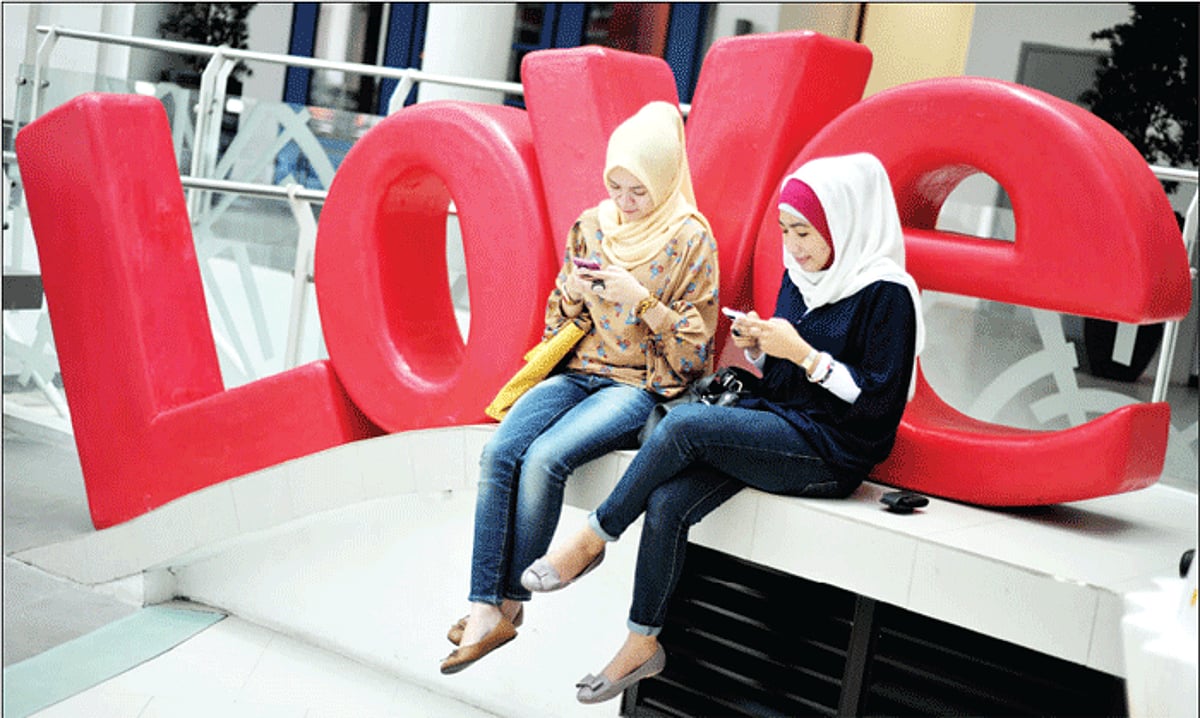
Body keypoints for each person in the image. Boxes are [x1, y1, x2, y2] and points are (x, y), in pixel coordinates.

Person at [522, 152, 925, 703]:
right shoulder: (802, 276)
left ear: (844, 221)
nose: (796, 245)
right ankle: (643, 642)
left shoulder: (888, 293)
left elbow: (878, 403)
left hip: (833, 450)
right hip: (780, 423)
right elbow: (783, 381)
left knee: (686, 426)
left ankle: (595, 536)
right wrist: (765, 350)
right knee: (667, 502)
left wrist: (807, 356)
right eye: (786, 230)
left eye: (805, 231)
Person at [440, 101, 720, 674]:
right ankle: (483, 604)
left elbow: (696, 349)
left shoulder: (692, 239)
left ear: (665, 179)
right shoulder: (592, 225)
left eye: (637, 190)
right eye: (615, 185)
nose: (623, 201)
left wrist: (638, 300)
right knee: (499, 452)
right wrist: (578, 290)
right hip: (577, 370)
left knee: (545, 458)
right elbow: (559, 317)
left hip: (637, 382)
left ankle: (511, 604)